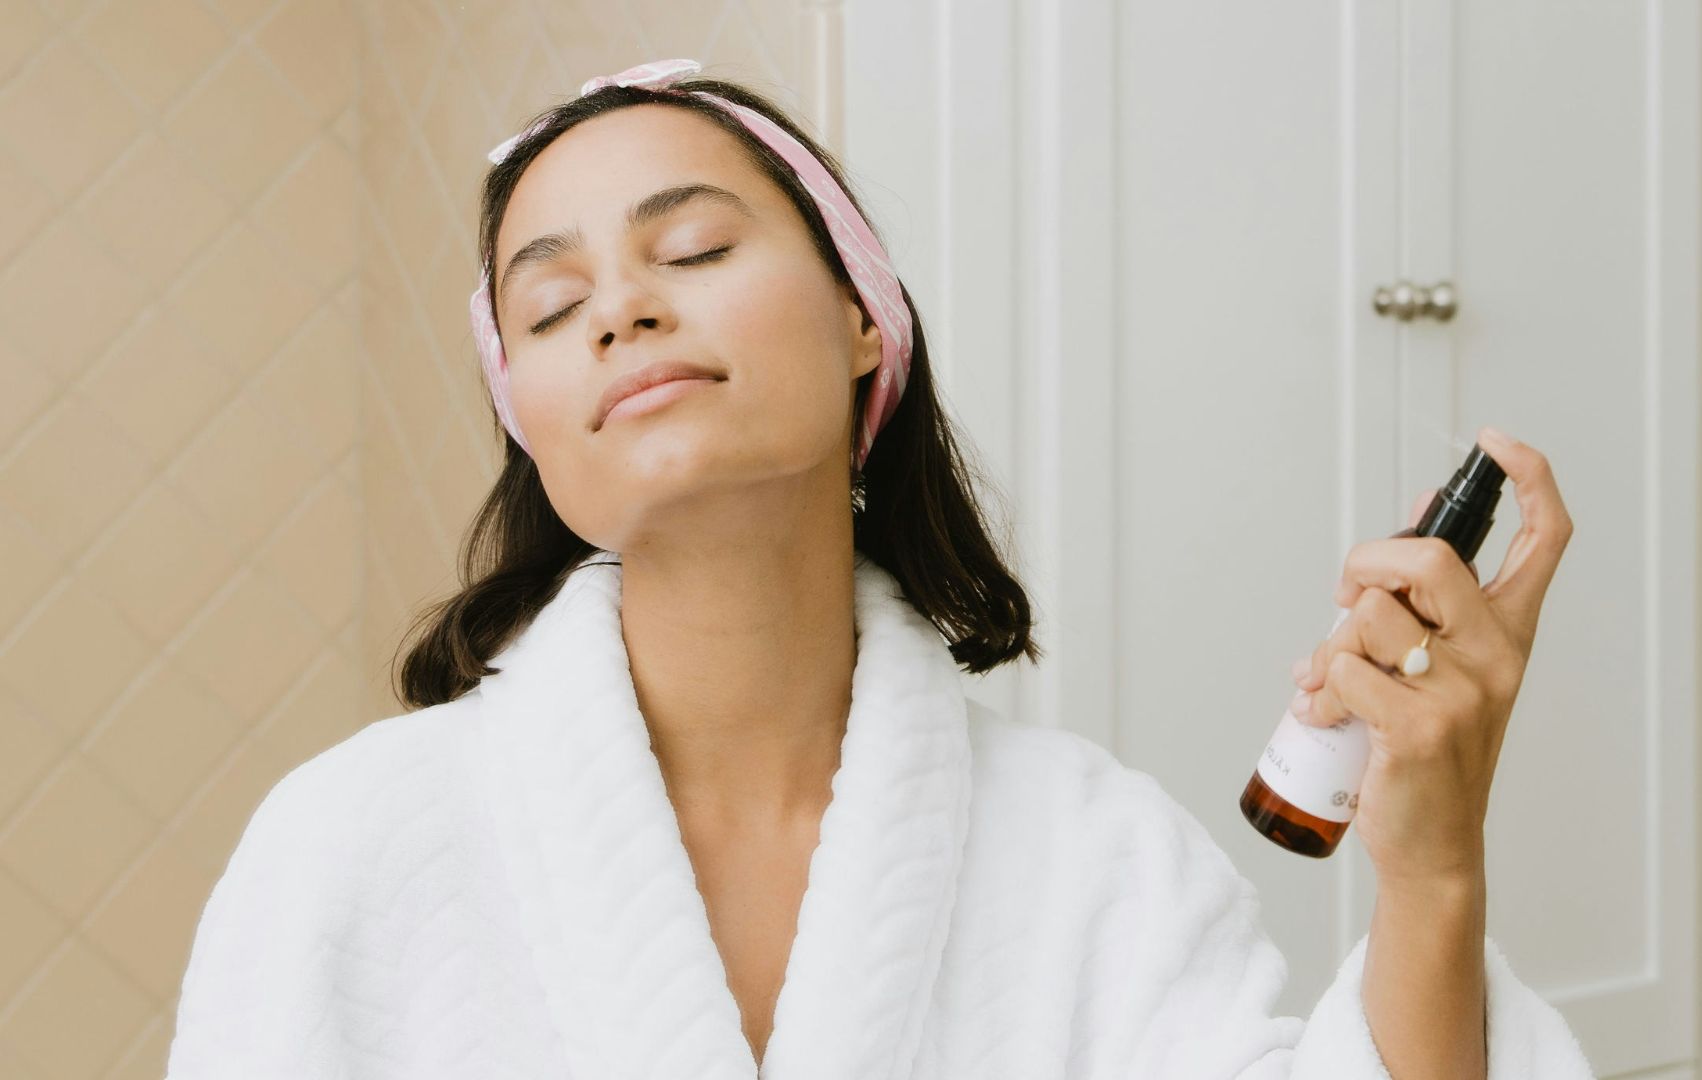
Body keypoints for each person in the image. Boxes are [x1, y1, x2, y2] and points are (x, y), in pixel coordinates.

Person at [165, 60, 1594, 1079]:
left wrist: (1435, 871)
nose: (622, 311)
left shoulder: (1100, 860)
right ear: (532, 434)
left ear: (866, 319)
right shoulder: (349, 852)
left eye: (696, 245)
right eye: (551, 305)